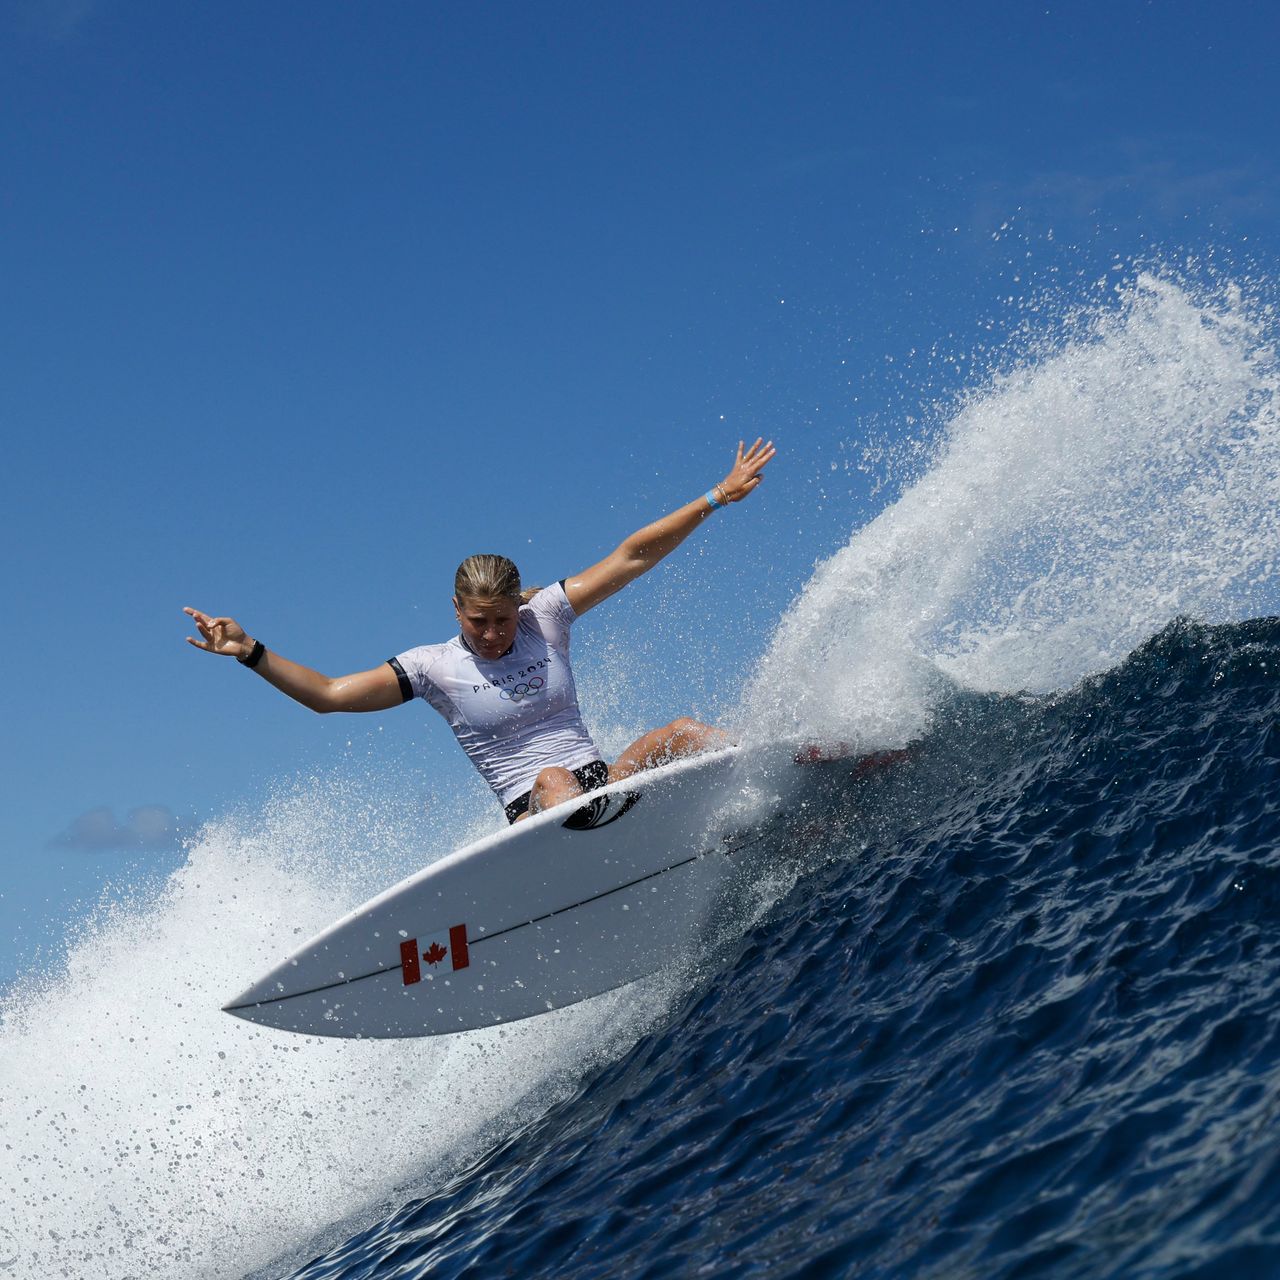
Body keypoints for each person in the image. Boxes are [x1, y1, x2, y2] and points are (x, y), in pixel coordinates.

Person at [184, 438, 776, 823]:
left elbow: (630, 557)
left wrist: (716, 496)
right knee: (552, 778)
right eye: (479, 621)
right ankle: (593, 843)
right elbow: (330, 696)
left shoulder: (546, 615)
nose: (494, 634)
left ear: (520, 603)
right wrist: (250, 652)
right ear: (455, 610)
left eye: (503, 618)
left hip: (605, 789)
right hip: (536, 809)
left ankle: (783, 768)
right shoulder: (432, 667)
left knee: (678, 731)